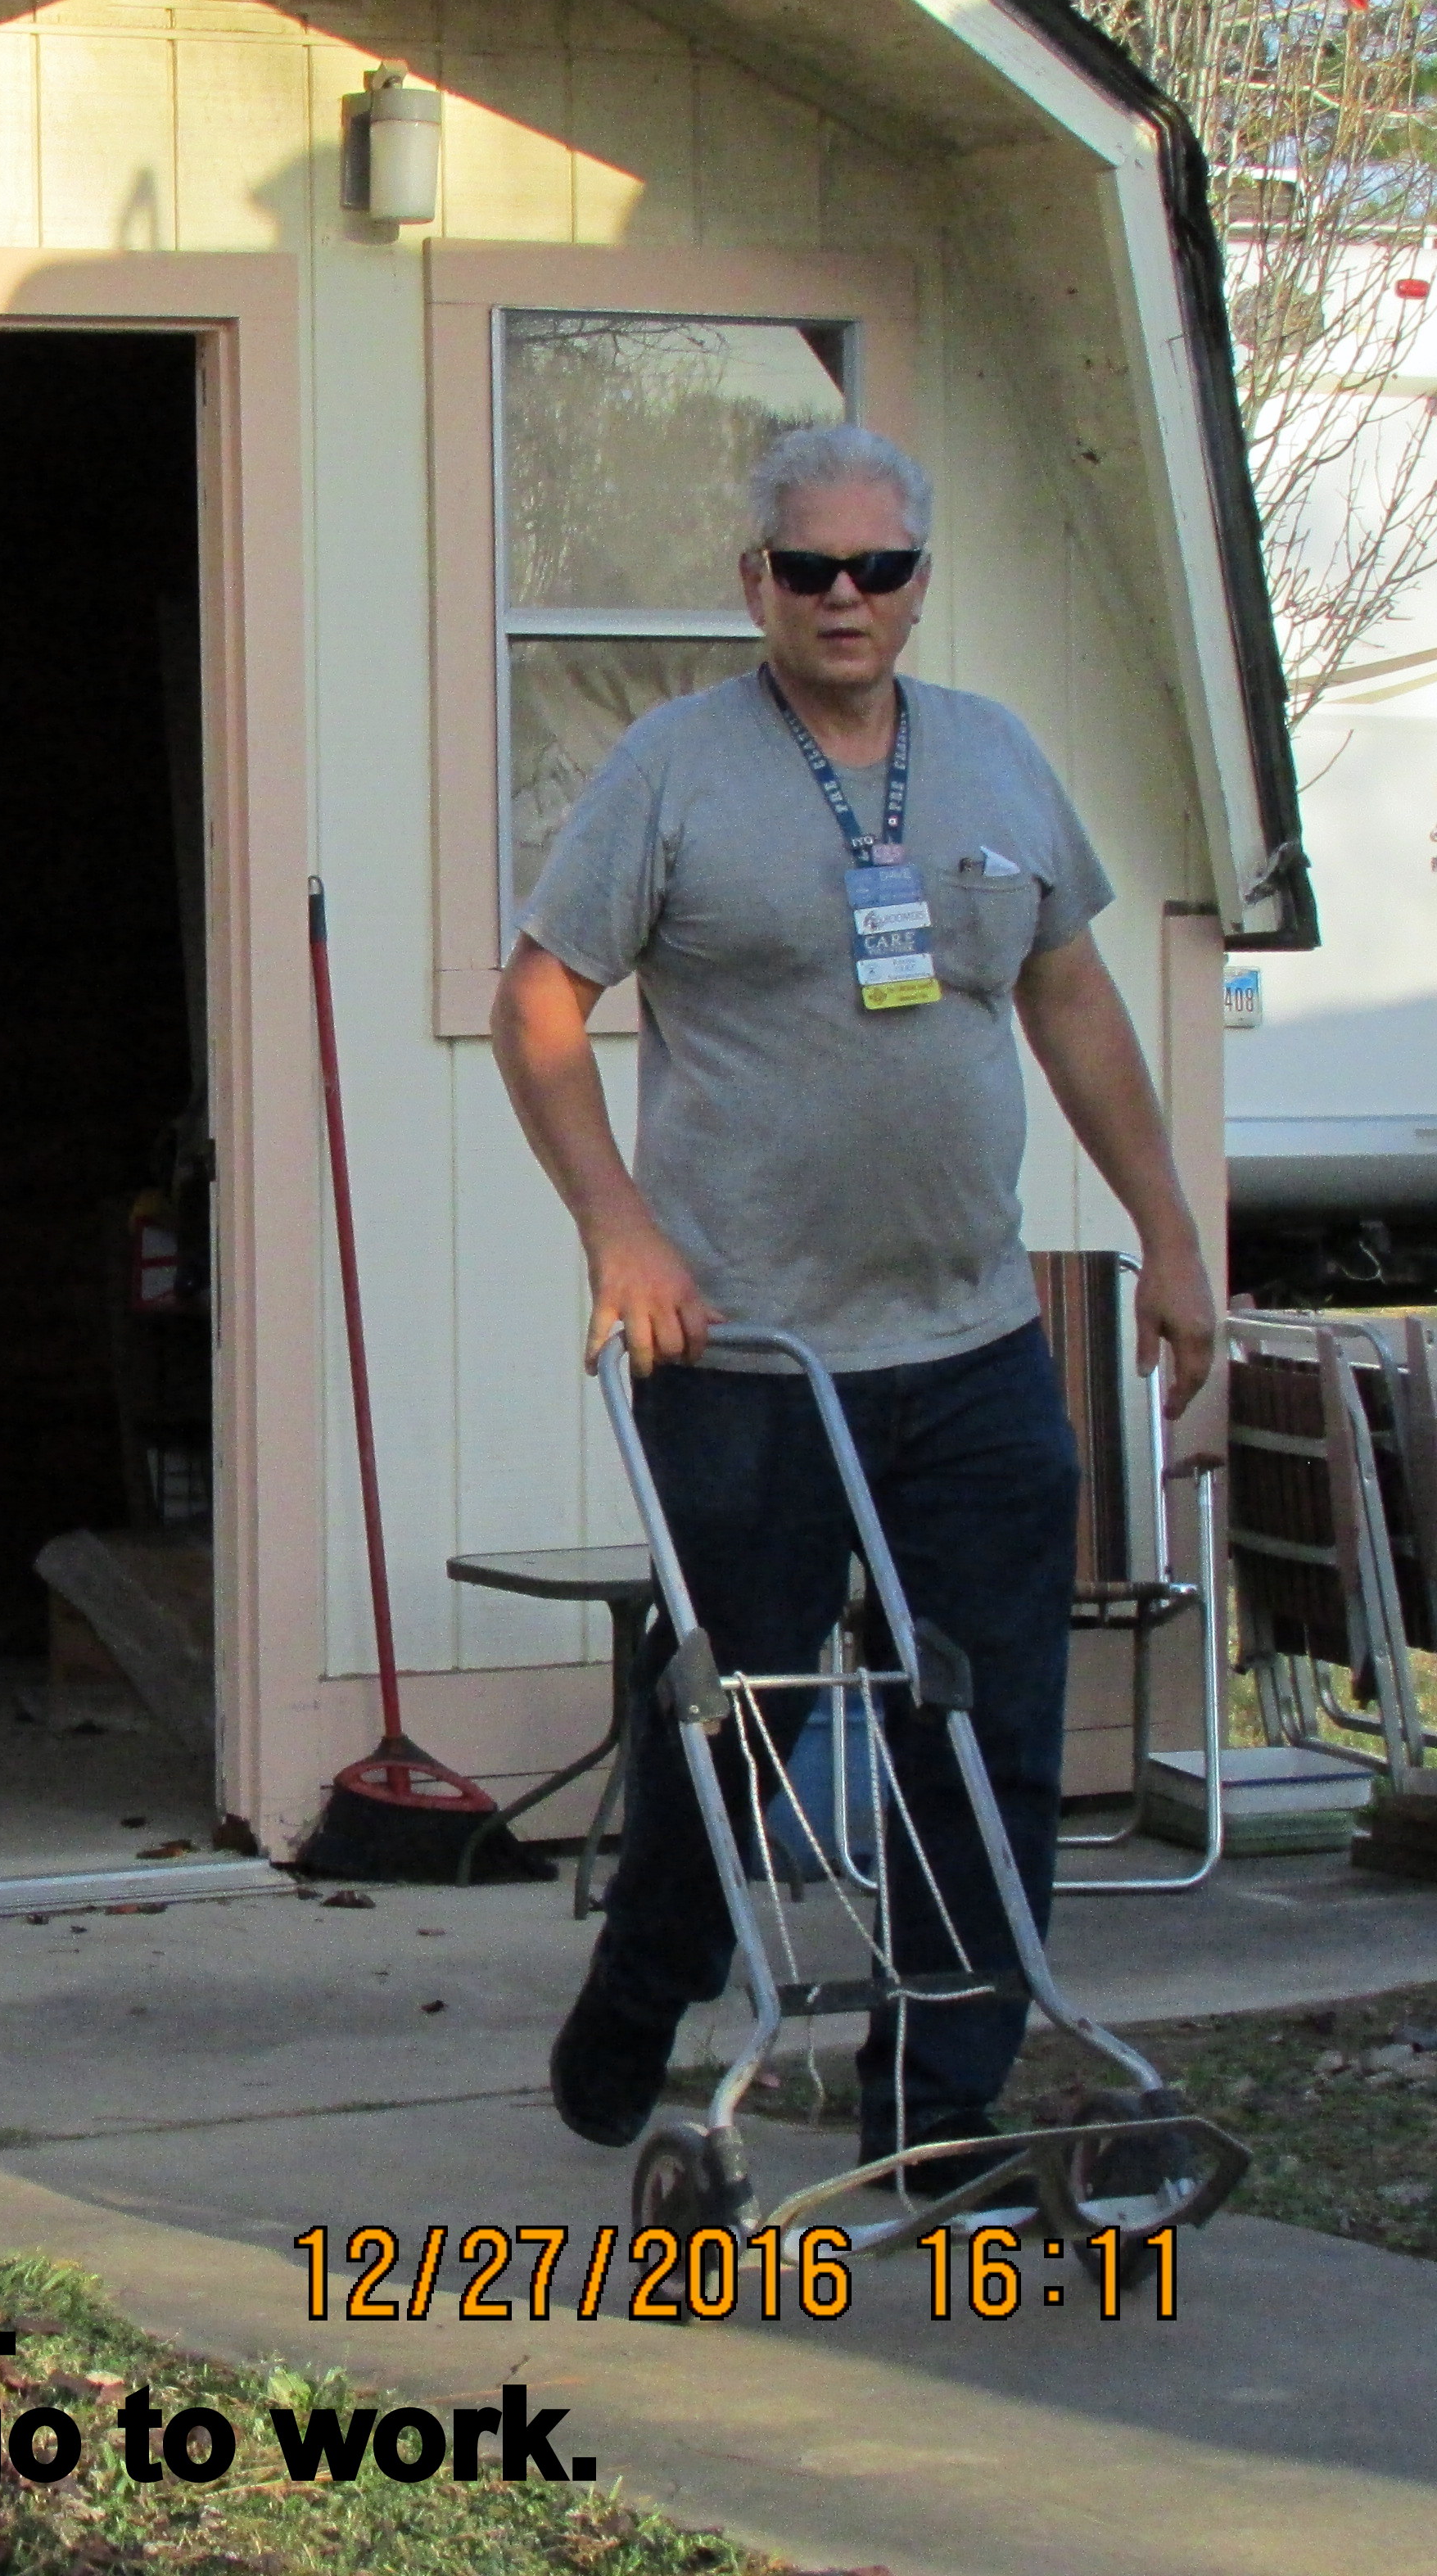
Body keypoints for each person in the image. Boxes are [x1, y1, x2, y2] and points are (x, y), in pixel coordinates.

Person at [490, 423, 1217, 2178]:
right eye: (809, 567)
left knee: (984, 1726)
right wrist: (618, 1228)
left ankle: (938, 2110)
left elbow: (1075, 1004)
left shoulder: (996, 760)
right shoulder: (675, 769)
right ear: (755, 581)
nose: (844, 597)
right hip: (745, 1358)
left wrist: (1173, 1236)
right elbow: (538, 1003)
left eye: (877, 569)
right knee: (738, 1724)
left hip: (971, 1349)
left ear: (916, 583)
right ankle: (645, 1990)